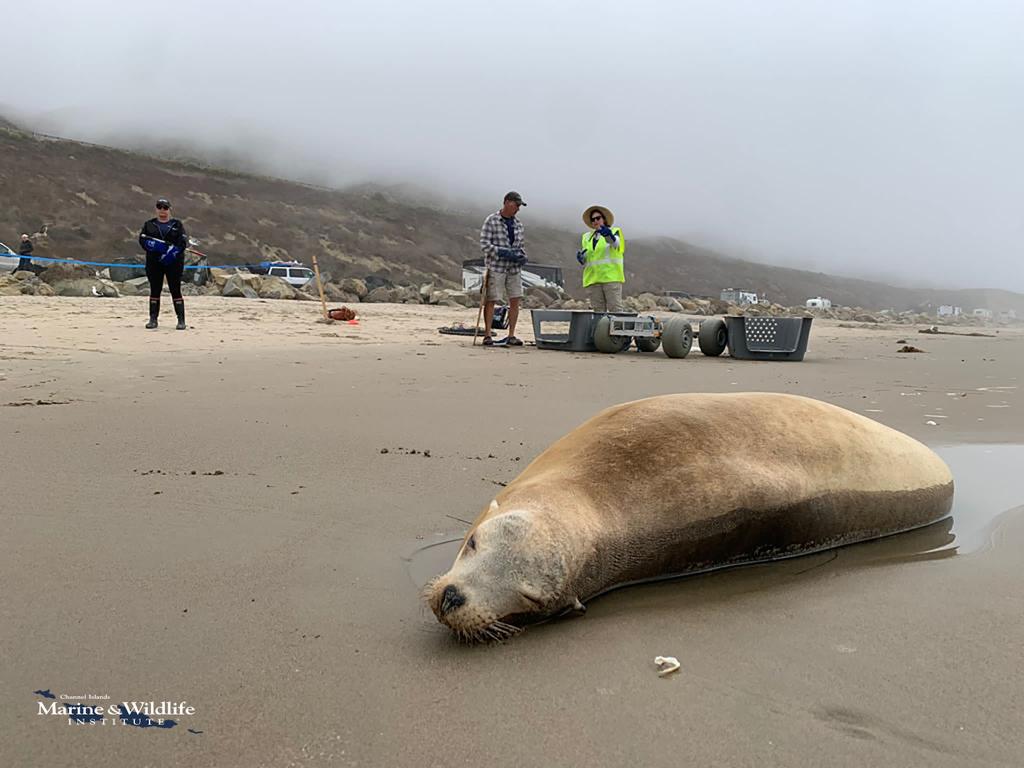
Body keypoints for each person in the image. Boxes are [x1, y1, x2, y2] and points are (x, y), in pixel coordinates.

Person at [478, 191, 528, 346]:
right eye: (516, 205)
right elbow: (484, 245)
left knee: (515, 299)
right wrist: (502, 252)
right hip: (496, 267)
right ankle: (487, 334)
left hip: (514, 269)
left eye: (519, 206)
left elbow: (521, 246)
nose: (518, 208)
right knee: (491, 298)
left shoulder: (518, 224)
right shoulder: (491, 220)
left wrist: (521, 256)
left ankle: (511, 335)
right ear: (507, 202)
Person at [138, 198, 189, 330]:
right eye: (159, 207)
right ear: (156, 209)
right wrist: (156, 248)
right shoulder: (149, 224)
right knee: (155, 289)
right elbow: (142, 241)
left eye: (165, 208)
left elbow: (183, 243)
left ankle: (181, 320)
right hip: (154, 262)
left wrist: (172, 252)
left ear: (169, 210)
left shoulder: (177, 225)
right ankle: (153, 319)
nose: (162, 210)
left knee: (175, 289)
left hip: (173, 262)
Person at [577, 205, 625, 312]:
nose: (595, 221)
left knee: (615, 310)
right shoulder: (586, 237)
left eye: (598, 218)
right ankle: (600, 329)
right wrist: (582, 258)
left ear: (604, 219)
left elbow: (615, 242)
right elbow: (588, 256)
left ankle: (616, 329)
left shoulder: (615, 231)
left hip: (610, 278)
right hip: (593, 280)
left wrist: (609, 235)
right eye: (593, 219)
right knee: (598, 312)